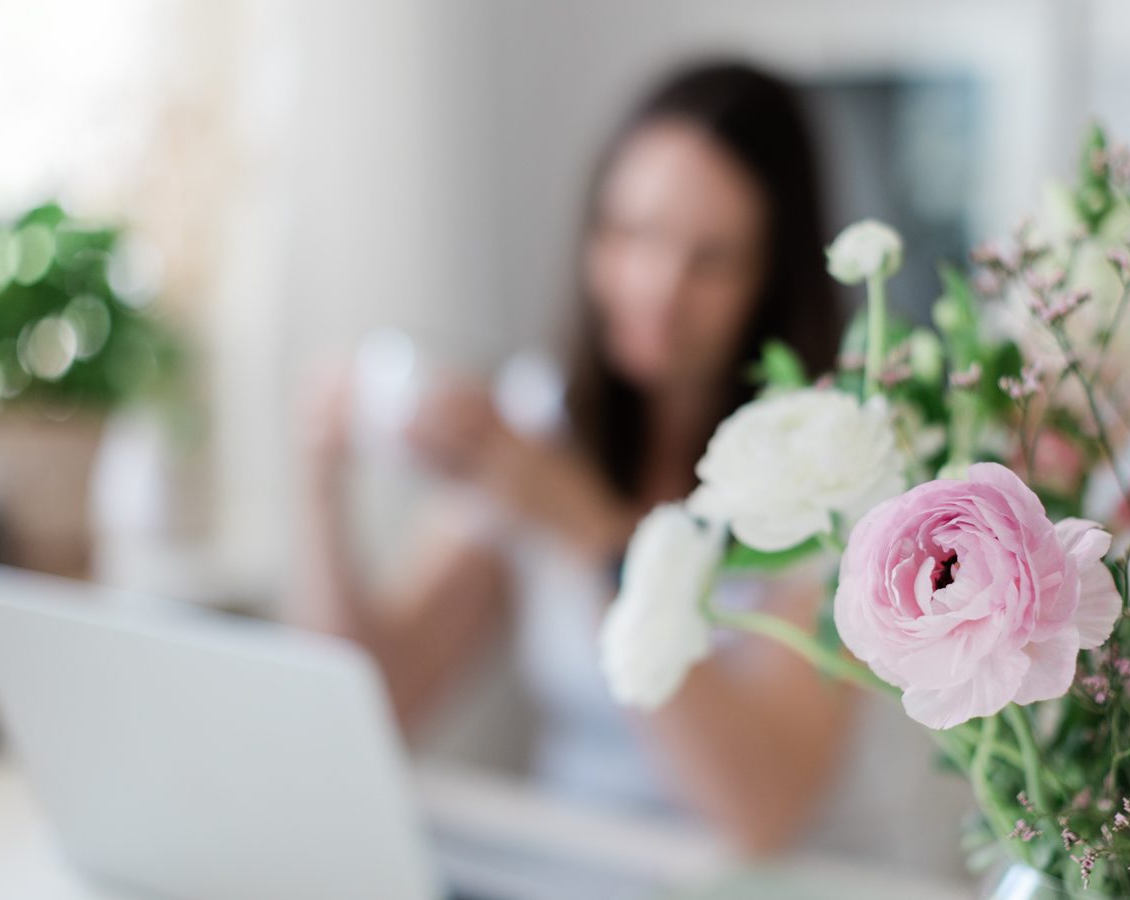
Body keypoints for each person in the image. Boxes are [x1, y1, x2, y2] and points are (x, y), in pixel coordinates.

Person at [298, 61, 854, 856]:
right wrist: (320, 483)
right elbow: (375, 704)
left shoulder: (829, 479)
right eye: (632, 234)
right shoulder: (543, 415)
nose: (657, 287)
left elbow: (757, 812)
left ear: (771, 277)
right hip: (561, 867)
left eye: (711, 259)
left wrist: (590, 532)